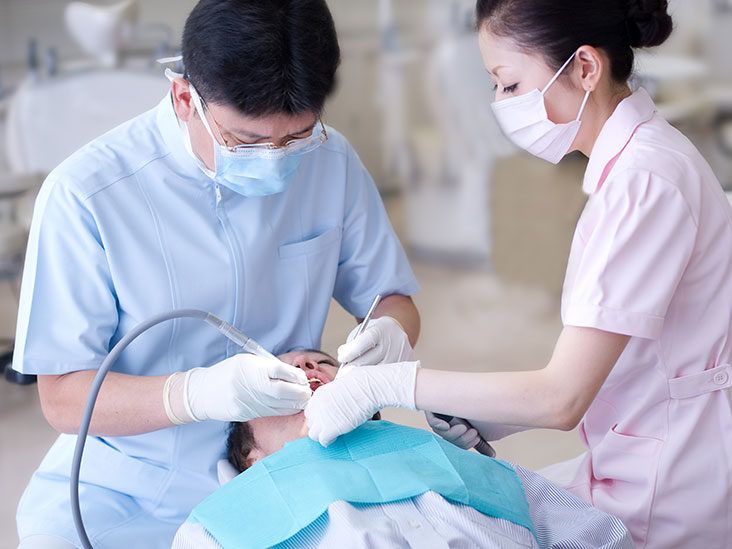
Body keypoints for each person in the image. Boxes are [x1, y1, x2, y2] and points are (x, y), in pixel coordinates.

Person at [303, 0, 732, 547]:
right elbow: (615, 361)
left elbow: (561, 397)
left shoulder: (644, 183)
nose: (501, 105)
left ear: (583, 67)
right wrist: (487, 417)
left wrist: (384, 385)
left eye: (509, 85)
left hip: (671, 490)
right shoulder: (631, 167)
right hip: (639, 456)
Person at [12, 1, 420, 547]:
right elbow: (62, 397)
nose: (276, 159)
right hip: (131, 492)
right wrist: (197, 395)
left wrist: (389, 335)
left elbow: (392, 299)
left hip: (284, 473)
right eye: (247, 142)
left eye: (296, 138)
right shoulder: (86, 195)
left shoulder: (332, 160)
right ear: (185, 99)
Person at [173, 359, 632, 548]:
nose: (307, 368)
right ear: (249, 455)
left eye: (322, 363)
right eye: (279, 379)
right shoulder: (220, 522)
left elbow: (602, 538)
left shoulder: (454, 459)